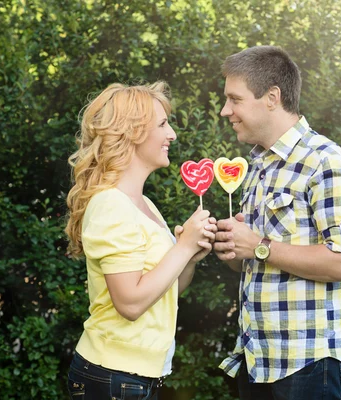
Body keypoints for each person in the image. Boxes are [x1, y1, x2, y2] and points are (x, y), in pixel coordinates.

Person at [213, 46, 341, 400]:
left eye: (234, 99)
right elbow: (254, 260)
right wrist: (232, 248)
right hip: (257, 360)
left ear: (271, 97)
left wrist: (259, 247)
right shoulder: (257, 166)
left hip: (306, 364)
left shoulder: (326, 163)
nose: (226, 111)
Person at [64, 81, 216, 399]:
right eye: (162, 124)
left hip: (137, 376)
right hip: (112, 376)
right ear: (133, 132)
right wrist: (184, 246)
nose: (172, 134)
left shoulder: (145, 205)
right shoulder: (111, 204)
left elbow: (163, 292)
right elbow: (130, 303)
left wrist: (188, 257)